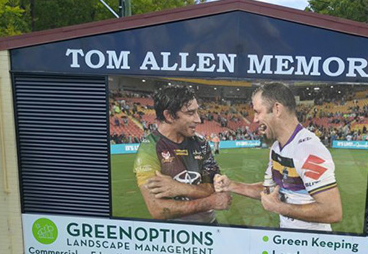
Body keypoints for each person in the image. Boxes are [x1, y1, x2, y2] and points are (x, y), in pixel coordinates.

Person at [214, 82, 342, 231]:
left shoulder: (308, 149)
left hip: (311, 246)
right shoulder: (276, 147)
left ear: (276, 109)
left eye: (258, 112)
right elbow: (269, 191)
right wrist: (231, 185)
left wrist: (280, 207)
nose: (254, 119)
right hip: (286, 241)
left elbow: (333, 211)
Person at [134, 85, 230, 223]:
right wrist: (209, 202)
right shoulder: (148, 149)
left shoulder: (201, 142)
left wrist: (179, 188)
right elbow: (158, 209)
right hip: (176, 235)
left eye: (197, 112)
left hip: (210, 225)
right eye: (190, 113)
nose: (198, 119)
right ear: (169, 116)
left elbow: (213, 188)